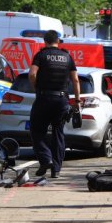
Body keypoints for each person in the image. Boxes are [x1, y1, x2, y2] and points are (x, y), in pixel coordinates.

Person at [28, 30, 81, 179]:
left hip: (44, 98)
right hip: (61, 100)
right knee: (58, 133)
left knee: (37, 131)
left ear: (45, 41)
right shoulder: (67, 57)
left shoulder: (41, 55)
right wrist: (77, 101)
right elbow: (76, 80)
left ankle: (46, 159)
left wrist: (36, 88)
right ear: (58, 41)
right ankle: (56, 169)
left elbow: (32, 74)